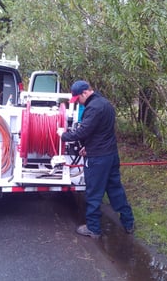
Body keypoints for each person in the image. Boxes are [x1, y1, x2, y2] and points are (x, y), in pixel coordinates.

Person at [57, 80, 135, 239]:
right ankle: (129, 222)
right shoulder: (106, 104)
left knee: (93, 192)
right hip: (111, 155)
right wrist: (88, 147)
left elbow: (83, 132)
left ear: (85, 92)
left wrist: (63, 135)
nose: (78, 101)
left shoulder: (93, 108)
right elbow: (101, 132)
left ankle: (93, 228)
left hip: (98, 159)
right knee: (115, 189)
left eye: (78, 98)